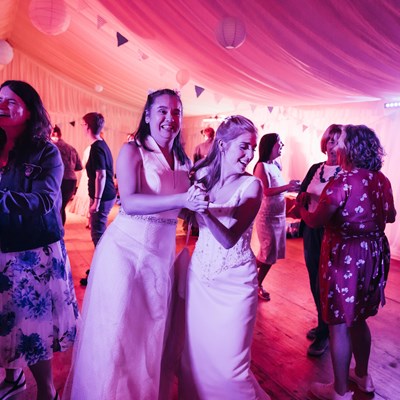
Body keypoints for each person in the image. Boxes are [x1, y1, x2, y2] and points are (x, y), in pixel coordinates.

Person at [63, 89, 208, 400]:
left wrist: (198, 209)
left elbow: (177, 208)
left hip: (161, 255)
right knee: (119, 335)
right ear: (148, 115)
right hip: (126, 252)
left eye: (176, 112)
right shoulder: (133, 150)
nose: (170, 118)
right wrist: (183, 199)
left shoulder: (183, 159)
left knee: (148, 336)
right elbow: (129, 202)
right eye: (163, 111)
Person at [297, 125, 396, 400]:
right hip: (373, 254)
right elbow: (391, 216)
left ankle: (339, 391)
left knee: (339, 322)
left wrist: (301, 207)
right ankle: (362, 376)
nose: (336, 148)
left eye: (340, 143)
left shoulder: (342, 182)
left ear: (349, 148)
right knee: (359, 317)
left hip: (344, 255)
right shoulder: (382, 179)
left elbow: (316, 220)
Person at [179, 115, 271, 400]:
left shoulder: (252, 186)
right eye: (244, 146)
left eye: (253, 148)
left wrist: (204, 209)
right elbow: (184, 215)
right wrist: (183, 200)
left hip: (235, 282)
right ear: (222, 145)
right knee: (196, 355)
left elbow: (229, 239)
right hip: (200, 277)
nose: (250, 154)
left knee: (232, 368)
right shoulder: (202, 177)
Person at [0, 80, 79, 400]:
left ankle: (47, 391)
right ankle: (13, 378)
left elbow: (45, 200)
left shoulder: (46, 151)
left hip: (32, 251)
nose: (2, 105)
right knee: (5, 319)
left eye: (11, 101)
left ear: (29, 110)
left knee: (33, 326)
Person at [298, 124, 342, 357]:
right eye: (330, 140)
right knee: (315, 278)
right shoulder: (316, 168)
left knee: (329, 283)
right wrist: (303, 197)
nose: (333, 145)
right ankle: (323, 325)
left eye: (338, 140)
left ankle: (328, 331)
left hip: (333, 233)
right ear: (324, 143)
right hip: (311, 231)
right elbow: (301, 194)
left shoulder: (346, 172)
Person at [253, 133, 300, 301]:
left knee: (271, 254)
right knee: (267, 253)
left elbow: (278, 188)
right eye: (279, 143)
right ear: (270, 145)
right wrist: (288, 186)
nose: (282, 146)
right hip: (266, 216)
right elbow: (266, 191)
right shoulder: (261, 166)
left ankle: (251, 279)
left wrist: (292, 187)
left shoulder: (276, 165)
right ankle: (251, 279)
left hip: (278, 215)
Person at [79, 113, 116, 286]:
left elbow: (101, 175)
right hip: (107, 195)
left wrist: (96, 201)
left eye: (82, 124)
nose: (81, 127)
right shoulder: (102, 144)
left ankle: (102, 272)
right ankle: (98, 268)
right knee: (100, 234)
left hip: (103, 196)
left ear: (87, 126)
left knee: (98, 236)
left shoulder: (96, 148)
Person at [50, 125, 83, 225]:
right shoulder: (71, 148)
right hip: (71, 181)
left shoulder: (51, 147)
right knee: (62, 207)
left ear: (54, 134)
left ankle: (55, 230)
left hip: (58, 179)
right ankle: (60, 230)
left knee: (54, 207)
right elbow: (79, 167)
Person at [68, 145, 91, 227]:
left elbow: (83, 164)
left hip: (87, 175)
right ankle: (89, 220)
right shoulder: (94, 149)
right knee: (90, 197)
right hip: (90, 175)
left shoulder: (88, 149)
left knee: (88, 197)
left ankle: (89, 220)